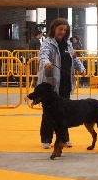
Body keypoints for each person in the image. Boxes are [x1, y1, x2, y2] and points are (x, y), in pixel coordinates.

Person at [37, 18, 86, 149]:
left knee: (64, 112)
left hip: (65, 82)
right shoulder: (47, 43)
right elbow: (43, 55)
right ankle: (46, 139)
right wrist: (46, 63)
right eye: (60, 29)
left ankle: (64, 139)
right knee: (49, 112)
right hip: (51, 83)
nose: (62, 32)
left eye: (65, 30)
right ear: (54, 29)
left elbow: (74, 59)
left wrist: (81, 69)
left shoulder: (68, 44)